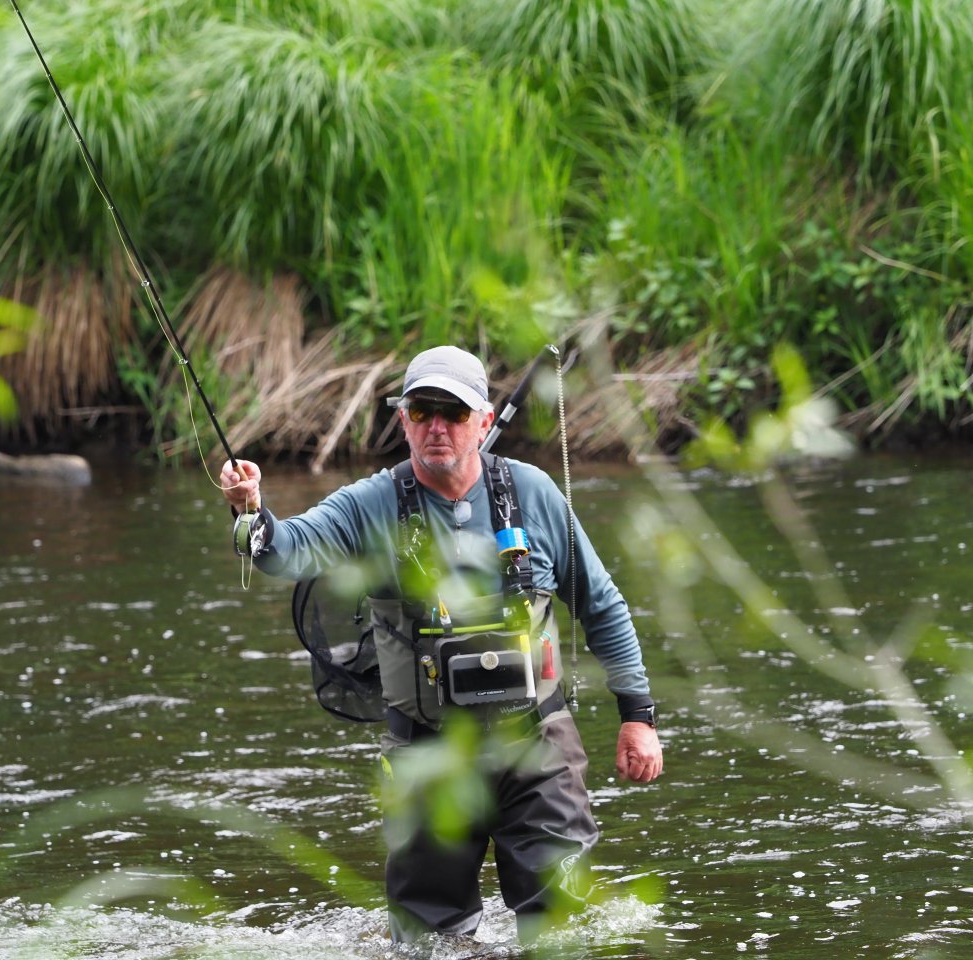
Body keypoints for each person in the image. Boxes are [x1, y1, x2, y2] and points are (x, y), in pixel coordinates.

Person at [219, 344, 662, 943]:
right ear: (401, 419)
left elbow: (602, 606)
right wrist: (252, 513)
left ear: (482, 422)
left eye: (453, 413)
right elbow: (283, 549)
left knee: (564, 925)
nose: (436, 427)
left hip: (535, 744)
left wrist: (638, 717)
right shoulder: (368, 504)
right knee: (429, 942)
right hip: (426, 753)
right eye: (421, 411)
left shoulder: (532, 494)